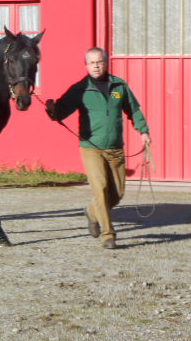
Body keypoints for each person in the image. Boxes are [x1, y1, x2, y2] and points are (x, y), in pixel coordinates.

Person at [45, 47, 152, 249]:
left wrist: (143, 131)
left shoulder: (119, 86)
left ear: (106, 63)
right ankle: (108, 234)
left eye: (99, 61)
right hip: (91, 148)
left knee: (117, 194)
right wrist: (51, 109)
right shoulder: (79, 89)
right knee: (101, 189)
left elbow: (134, 109)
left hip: (115, 149)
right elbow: (60, 112)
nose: (96, 65)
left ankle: (92, 212)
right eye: (92, 62)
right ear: (86, 65)